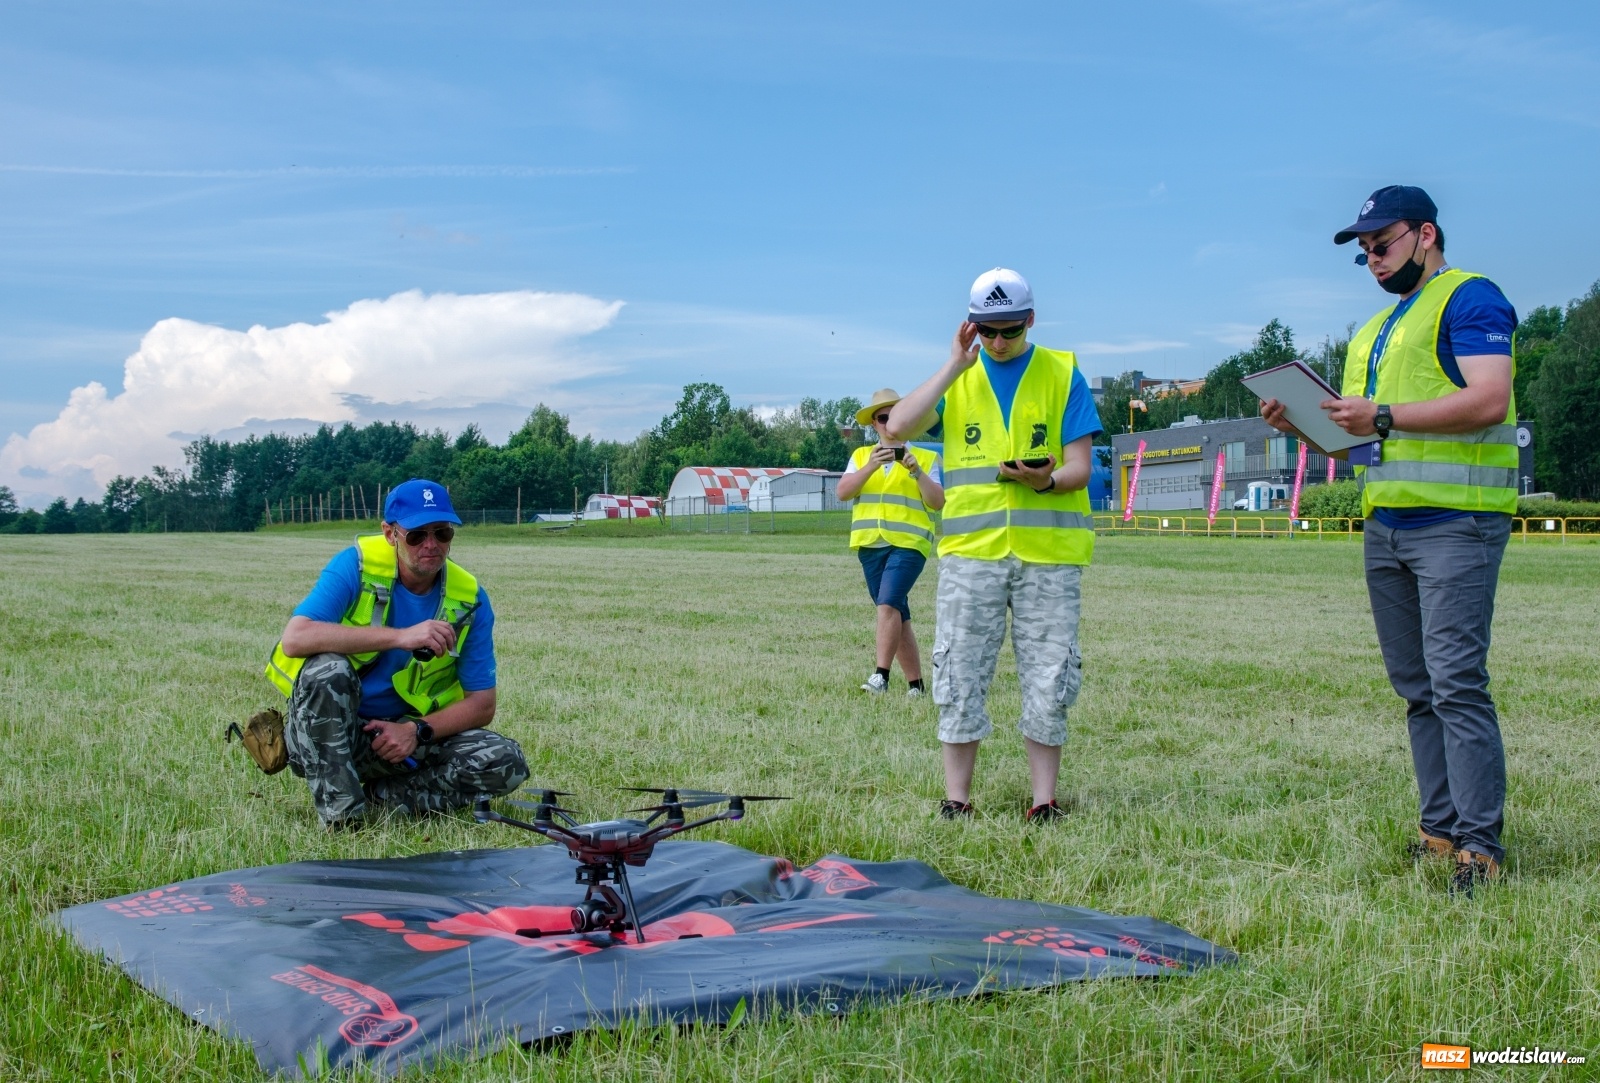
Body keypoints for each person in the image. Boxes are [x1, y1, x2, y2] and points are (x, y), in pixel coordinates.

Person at [1261, 185, 1518, 896]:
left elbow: (1489, 398)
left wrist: (1385, 414)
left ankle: (1480, 846)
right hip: (1388, 525)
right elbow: (1359, 447)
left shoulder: (1471, 298)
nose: (1373, 258)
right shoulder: (1375, 332)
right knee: (1417, 688)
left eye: (1383, 243)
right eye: (1365, 252)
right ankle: (1440, 831)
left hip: (1456, 522)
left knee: (1458, 683)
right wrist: (1301, 425)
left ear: (1426, 234)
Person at [888, 268, 1101, 822]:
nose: (998, 343)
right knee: (959, 672)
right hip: (971, 557)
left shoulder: (1063, 373)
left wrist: (1046, 481)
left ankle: (1043, 801)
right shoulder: (959, 375)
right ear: (970, 327)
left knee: (1050, 673)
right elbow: (898, 427)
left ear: (1030, 320)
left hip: (1048, 557)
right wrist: (954, 365)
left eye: (1009, 330)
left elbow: (1081, 468)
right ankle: (957, 799)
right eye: (987, 332)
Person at [265, 478, 528, 828]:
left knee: (506, 762)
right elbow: (296, 638)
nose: (432, 545)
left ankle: (385, 797)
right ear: (390, 534)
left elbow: (483, 704)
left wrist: (415, 730)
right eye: (417, 535)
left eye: (443, 533)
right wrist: (399, 637)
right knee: (327, 670)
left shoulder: (470, 599)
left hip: (400, 738)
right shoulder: (354, 567)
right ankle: (343, 817)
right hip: (330, 733)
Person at [836, 389, 945, 696]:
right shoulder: (860, 457)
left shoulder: (925, 457)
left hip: (910, 544)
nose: (890, 424)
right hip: (870, 544)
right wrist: (871, 466)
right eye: (884, 418)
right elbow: (843, 492)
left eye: (898, 416)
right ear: (874, 423)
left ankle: (880, 676)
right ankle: (917, 686)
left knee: (887, 604)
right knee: (897, 612)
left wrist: (916, 472)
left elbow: (937, 502)